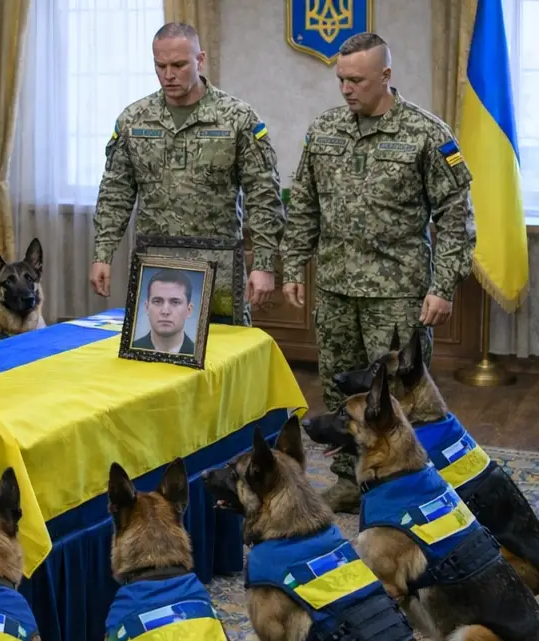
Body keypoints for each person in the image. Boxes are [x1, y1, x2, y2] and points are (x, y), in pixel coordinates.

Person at [281, 33, 476, 513]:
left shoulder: (425, 133)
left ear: (385, 75)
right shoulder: (325, 129)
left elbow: (455, 215)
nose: (347, 88)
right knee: (341, 392)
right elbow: (304, 203)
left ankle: (413, 487)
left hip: (398, 294)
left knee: (401, 401)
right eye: (341, 79)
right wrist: (293, 265)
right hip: (336, 290)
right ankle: (351, 481)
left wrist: (443, 286)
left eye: (357, 80)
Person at [90, 22, 285, 323]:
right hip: (156, 266)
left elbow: (264, 195)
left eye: (179, 65)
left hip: (218, 266)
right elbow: (115, 193)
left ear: (200, 60)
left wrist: (263, 264)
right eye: (160, 66)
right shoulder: (134, 119)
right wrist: (103, 254)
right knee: (156, 346)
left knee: (226, 347)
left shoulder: (237, 118)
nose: (168, 75)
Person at [133, 269, 196, 354]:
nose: (165, 311)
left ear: (189, 310)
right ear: (147, 307)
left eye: (175, 302)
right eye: (157, 301)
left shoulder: (197, 355)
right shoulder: (133, 349)